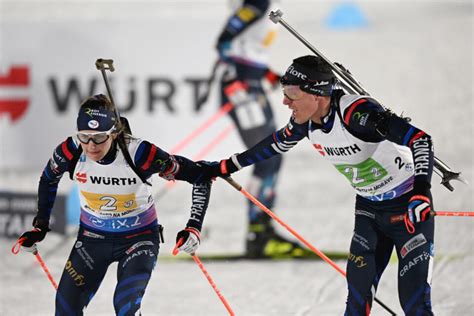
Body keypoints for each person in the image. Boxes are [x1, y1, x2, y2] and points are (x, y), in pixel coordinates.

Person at [203, 55, 435, 315]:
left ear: (317, 93)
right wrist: (224, 167)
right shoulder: (307, 122)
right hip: (369, 212)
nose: (285, 101)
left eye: (292, 92)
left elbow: (420, 140)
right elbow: (273, 144)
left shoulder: (356, 114)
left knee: (414, 305)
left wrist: (421, 192)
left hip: (408, 209)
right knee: (356, 305)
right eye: (284, 90)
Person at [17, 94, 212, 315]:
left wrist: (194, 226)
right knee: (65, 310)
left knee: (125, 308)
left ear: (115, 132)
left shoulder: (140, 152)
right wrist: (40, 225)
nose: (91, 146)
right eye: (84, 136)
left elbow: (200, 176)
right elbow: (48, 179)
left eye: (99, 137)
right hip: (92, 240)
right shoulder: (70, 151)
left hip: (138, 240)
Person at [215, 0, 310, 258]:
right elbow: (224, 40)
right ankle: (259, 234)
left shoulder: (266, 4)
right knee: (269, 155)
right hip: (242, 90)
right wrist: (233, 78)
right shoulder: (258, 2)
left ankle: (261, 230)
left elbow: (245, 48)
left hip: (250, 85)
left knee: (272, 156)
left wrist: (266, 75)